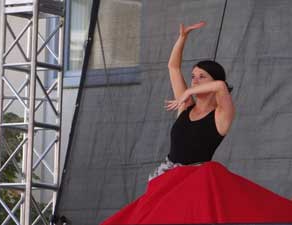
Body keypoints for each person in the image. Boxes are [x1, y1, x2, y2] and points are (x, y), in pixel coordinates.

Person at [100, 22, 292, 225]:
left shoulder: (221, 115)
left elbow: (219, 86)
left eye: (202, 77)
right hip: (167, 177)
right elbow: (173, 67)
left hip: (194, 184)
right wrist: (182, 39)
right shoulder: (185, 108)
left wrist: (188, 92)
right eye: (193, 77)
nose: (195, 81)